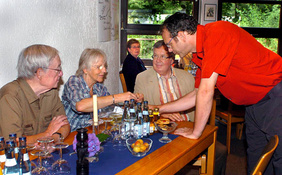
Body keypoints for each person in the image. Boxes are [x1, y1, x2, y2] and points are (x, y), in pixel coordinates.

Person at [158, 12, 282, 174]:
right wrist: (158, 108)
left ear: (180, 35)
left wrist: (196, 132)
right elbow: (196, 94)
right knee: (257, 160)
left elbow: (206, 91)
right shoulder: (199, 54)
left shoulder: (217, 33)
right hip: (253, 105)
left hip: (275, 95)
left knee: (280, 159)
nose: (169, 50)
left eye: (168, 44)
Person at [135, 40, 227, 175]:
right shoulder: (142, 78)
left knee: (220, 151)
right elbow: (139, 107)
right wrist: (161, 115)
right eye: (155, 56)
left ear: (172, 59)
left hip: (188, 126)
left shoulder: (187, 77)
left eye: (162, 56)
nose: (157, 60)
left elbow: (200, 102)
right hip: (162, 130)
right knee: (170, 159)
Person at [0, 44, 70, 144]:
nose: (61, 73)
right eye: (57, 69)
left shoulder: (51, 92)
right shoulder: (10, 97)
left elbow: (64, 124)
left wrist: (52, 140)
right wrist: (47, 134)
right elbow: (13, 142)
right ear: (39, 73)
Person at [62, 48, 143, 132]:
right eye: (99, 67)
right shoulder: (74, 81)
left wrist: (131, 102)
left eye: (104, 66)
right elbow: (80, 106)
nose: (104, 70)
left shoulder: (99, 87)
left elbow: (111, 110)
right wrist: (117, 98)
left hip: (94, 132)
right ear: (85, 69)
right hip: (75, 135)